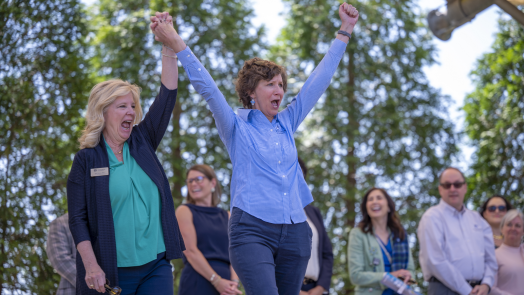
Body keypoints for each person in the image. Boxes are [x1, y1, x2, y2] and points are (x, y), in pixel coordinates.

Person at [150, 3, 359, 294]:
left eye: (281, 85)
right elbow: (208, 89)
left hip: (297, 233)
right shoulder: (236, 126)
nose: (279, 91)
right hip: (252, 231)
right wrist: (176, 44)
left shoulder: (288, 121)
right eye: (270, 84)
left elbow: (318, 82)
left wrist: (345, 30)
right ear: (251, 92)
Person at [67, 14, 185, 294]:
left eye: (132, 107)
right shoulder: (87, 160)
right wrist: (91, 265)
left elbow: (167, 94)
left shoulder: (142, 140)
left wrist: (168, 44)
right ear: (103, 112)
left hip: (156, 267)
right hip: (109, 273)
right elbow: (77, 220)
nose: (131, 112)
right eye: (122, 107)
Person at [417, 167, 497, 295]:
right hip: (445, 290)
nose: (453, 189)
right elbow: (436, 261)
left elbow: (490, 259)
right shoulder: (432, 217)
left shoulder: (477, 219)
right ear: (440, 189)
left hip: (479, 291)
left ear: (464, 187)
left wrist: (486, 284)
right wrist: (467, 290)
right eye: (447, 185)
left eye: (457, 184)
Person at [176, 164, 241, 295]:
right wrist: (217, 281)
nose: (193, 184)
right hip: (197, 282)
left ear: (212, 183)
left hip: (227, 287)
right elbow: (190, 252)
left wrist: (233, 284)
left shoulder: (228, 215)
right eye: (190, 181)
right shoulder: (184, 211)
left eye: (198, 179)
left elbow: (235, 252)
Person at [347, 188, 415, 295]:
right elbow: (356, 276)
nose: (374, 202)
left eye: (379, 198)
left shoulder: (400, 234)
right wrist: (388, 277)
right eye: (370, 199)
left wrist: (408, 276)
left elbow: (410, 270)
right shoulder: (358, 234)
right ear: (366, 208)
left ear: (389, 207)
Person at [297, 158, 333, 295]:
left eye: (300, 175)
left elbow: (327, 253)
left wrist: (321, 287)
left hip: (316, 289)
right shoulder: (273, 210)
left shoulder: (314, 212)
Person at [491, 209, 524, 295]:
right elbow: (490, 288)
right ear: (502, 229)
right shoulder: (494, 255)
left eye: (518, 225)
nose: (513, 228)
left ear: (523, 231)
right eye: (509, 224)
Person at [46, 213, 76, 295]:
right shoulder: (60, 223)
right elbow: (60, 260)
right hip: (72, 290)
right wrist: (95, 282)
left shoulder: (107, 220)